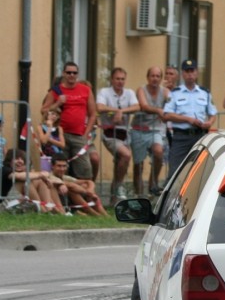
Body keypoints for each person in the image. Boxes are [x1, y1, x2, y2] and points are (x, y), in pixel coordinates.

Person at [42, 61, 98, 182]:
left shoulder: (86, 90)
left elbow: (93, 114)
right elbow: (44, 110)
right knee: (60, 170)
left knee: (85, 169)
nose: (71, 75)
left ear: (78, 74)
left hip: (79, 135)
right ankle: (62, 199)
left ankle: (86, 198)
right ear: (63, 74)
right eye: (69, 72)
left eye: (74, 73)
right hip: (60, 135)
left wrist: (86, 133)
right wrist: (57, 103)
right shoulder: (56, 91)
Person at [162, 59, 218, 176]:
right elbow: (167, 114)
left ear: (197, 73)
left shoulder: (205, 93)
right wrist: (188, 120)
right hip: (181, 137)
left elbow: (213, 114)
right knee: (175, 172)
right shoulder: (175, 93)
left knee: (199, 172)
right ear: (182, 74)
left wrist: (209, 123)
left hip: (200, 136)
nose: (190, 74)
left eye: (192, 71)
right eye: (187, 71)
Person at [96, 67, 139, 200]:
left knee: (121, 161)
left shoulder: (129, 92)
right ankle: (119, 186)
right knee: (126, 155)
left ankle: (113, 197)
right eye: (117, 79)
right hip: (110, 133)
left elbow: (137, 107)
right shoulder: (104, 92)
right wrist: (116, 110)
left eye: (122, 79)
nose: (120, 82)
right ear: (111, 80)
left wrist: (122, 111)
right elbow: (100, 107)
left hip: (125, 133)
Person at [133, 66, 170, 196]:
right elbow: (144, 106)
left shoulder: (164, 91)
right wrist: (159, 110)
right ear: (148, 77)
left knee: (158, 152)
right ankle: (138, 194)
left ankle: (152, 185)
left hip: (156, 129)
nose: (155, 79)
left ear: (161, 78)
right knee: (139, 163)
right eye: (152, 76)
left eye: (158, 76)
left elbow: (172, 102)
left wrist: (168, 110)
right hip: (140, 128)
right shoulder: (141, 90)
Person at [50, 152, 107, 216]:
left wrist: (90, 190)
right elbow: (71, 185)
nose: (62, 169)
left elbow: (89, 182)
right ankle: (95, 214)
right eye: (59, 166)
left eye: (64, 166)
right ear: (52, 166)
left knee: (85, 185)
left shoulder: (65, 177)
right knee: (72, 190)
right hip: (61, 205)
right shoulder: (49, 176)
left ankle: (104, 214)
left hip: (71, 203)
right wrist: (89, 193)